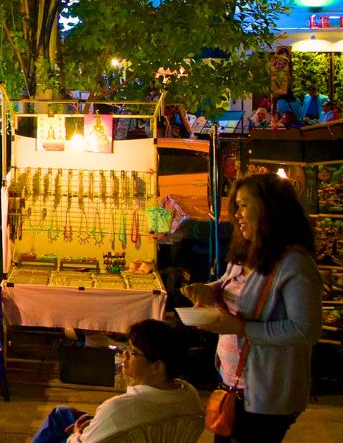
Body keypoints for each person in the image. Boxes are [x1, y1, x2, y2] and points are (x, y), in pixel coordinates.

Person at [182, 173, 321, 443]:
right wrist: (209, 289)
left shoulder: (295, 264)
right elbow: (228, 284)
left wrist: (241, 328)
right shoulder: (246, 252)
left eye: (244, 205)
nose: (237, 214)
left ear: (270, 208)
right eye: (236, 206)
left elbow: (306, 330)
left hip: (266, 394)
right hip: (233, 385)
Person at [31, 320, 202, 442]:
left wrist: (77, 434)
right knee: (61, 414)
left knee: (58, 424)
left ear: (157, 366)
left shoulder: (118, 408)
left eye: (133, 352)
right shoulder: (190, 395)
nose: (125, 355)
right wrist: (99, 424)